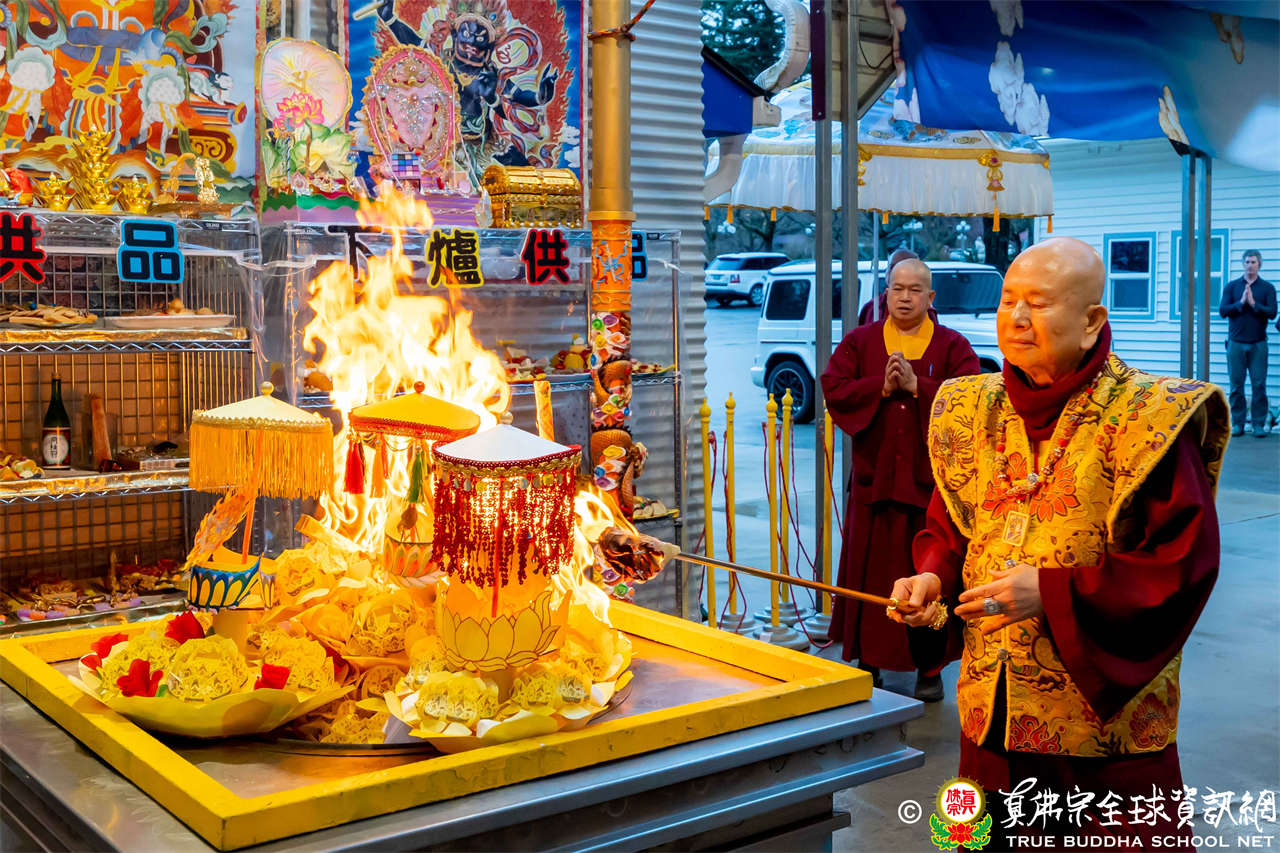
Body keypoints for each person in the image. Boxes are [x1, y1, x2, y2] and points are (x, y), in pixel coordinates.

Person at [889, 237, 1229, 848]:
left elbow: (1182, 564)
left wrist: (1053, 592)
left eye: (1039, 304)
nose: (1016, 319)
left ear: (1092, 320)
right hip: (993, 706)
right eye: (1008, 301)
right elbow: (952, 522)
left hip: (1101, 729)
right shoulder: (971, 406)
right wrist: (932, 574)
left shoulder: (1149, 416)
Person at [820, 259, 979, 701]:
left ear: (931, 297)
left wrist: (918, 388)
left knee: (930, 573)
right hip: (874, 485)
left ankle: (929, 668)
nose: (905, 297)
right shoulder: (860, 341)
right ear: (885, 294)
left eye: (915, 290)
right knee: (870, 575)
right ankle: (868, 660)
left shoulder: (952, 345)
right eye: (897, 289)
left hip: (929, 490)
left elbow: (972, 398)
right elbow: (834, 387)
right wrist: (881, 387)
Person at [1220, 249, 1276, 437]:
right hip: (1236, 343)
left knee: (1259, 385)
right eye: (1247, 262)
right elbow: (1223, 310)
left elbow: (1272, 313)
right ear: (1243, 264)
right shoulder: (1232, 287)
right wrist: (1241, 303)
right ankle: (1238, 423)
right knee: (1236, 385)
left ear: (1259, 264)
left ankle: (1258, 424)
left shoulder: (1267, 288)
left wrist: (1253, 304)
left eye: (1253, 262)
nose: (1250, 265)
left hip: (1258, 344)